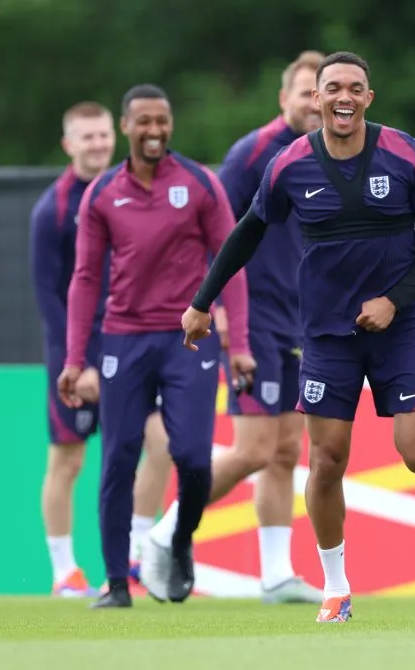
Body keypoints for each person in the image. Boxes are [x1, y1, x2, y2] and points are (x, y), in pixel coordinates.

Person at [181, 51, 415, 623]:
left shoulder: (406, 154)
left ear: (368, 98)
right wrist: (202, 303)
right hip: (326, 336)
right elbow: (246, 234)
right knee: (326, 461)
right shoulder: (289, 164)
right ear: (316, 98)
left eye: (355, 88)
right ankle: (336, 588)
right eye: (332, 88)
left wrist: (393, 300)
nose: (343, 98)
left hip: (397, 325)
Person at [59, 84, 254, 608]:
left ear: (170, 124)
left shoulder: (199, 184)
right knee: (118, 458)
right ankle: (117, 583)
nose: (154, 131)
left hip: (188, 339)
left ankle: (179, 542)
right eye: (143, 122)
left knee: (191, 458)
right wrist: (75, 359)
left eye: (162, 121)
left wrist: (241, 343)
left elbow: (230, 261)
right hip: (123, 339)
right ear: (127, 126)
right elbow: (83, 279)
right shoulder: (103, 193)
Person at [142, 51, 325, 605]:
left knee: (287, 451)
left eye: (323, 93)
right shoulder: (253, 154)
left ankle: (274, 575)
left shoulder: (335, 155)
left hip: (304, 321)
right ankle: (164, 535)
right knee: (252, 448)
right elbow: (213, 235)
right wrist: (217, 309)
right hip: (257, 320)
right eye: (305, 93)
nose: (316, 104)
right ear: (283, 99)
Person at [30, 101, 172, 598]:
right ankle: (64, 572)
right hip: (77, 357)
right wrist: (77, 363)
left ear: (115, 137)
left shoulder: (130, 190)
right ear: (69, 145)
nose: (96, 144)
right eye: (85, 138)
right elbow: (49, 297)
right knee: (67, 460)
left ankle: (135, 557)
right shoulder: (52, 210)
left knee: (161, 446)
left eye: (102, 136)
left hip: (131, 347)